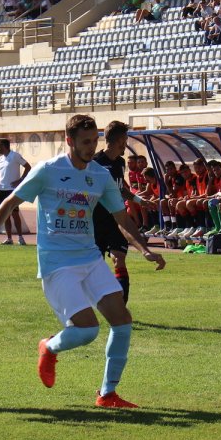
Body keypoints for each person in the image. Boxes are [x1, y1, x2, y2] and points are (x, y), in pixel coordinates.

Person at [0, 115, 166, 409]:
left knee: (122, 322)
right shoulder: (48, 170)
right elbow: (10, 202)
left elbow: (121, 218)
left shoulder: (100, 176)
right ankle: (49, 347)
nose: (90, 147)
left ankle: (107, 394)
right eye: (85, 142)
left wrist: (144, 249)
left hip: (90, 259)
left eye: (94, 141)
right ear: (69, 140)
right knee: (87, 330)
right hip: (57, 263)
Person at [91, 121, 142, 303]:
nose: (126, 144)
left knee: (118, 259)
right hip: (96, 223)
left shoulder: (120, 163)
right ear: (120, 140)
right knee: (95, 267)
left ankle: (121, 307)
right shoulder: (95, 163)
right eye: (126, 139)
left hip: (117, 222)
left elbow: (120, 189)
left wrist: (138, 200)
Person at [0, 138, 31, 245]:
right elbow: (1, 172)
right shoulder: (0, 158)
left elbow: (28, 167)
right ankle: (9, 238)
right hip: (1, 190)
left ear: (5, 146)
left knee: (15, 214)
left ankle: (20, 237)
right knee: (5, 215)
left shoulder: (15, 156)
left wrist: (20, 180)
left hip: (11, 190)